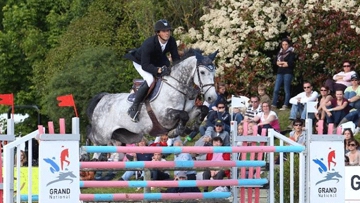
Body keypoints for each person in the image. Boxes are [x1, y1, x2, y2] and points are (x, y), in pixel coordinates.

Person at [124, 19, 180, 122]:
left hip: (157, 59)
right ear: (158, 33)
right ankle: (134, 108)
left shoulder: (171, 41)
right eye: (164, 31)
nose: (167, 33)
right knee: (150, 79)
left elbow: (176, 59)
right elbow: (145, 65)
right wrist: (158, 70)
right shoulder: (149, 43)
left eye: (168, 30)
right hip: (140, 62)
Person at [271, 38, 296, 110]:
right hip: (280, 72)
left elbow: (291, 63)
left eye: (286, 44)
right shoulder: (280, 53)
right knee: (276, 89)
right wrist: (282, 63)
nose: (284, 46)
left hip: (288, 72)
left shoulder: (291, 53)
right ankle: (274, 104)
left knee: (286, 89)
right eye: (283, 45)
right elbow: (275, 62)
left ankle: (285, 105)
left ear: (288, 45)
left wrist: (283, 63)